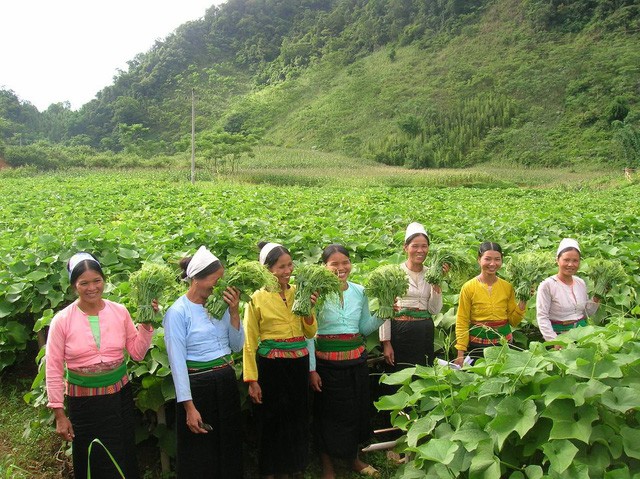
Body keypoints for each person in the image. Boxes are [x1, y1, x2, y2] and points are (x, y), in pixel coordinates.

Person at [46, 252, 154, 479]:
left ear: (104, 280)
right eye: (84, 283)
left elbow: (136, 353)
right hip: (84, 404)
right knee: (92, 457)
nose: (92, 287)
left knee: (123, 453)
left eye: (97, 281)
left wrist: (146, 323)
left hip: (119, 399)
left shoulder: (119, 312)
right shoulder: (62, 320)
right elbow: (54, 368)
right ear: (74, 286)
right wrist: (59, 414)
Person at [163, 245, 244, 478]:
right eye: (214, 280)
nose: (219, 285)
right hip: (198, 387)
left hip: (225, 380)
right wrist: (189, 407)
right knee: (200, 451)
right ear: (195, 279)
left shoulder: (221, 305)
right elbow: (177, 365)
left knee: (228, 443)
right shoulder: (178, 312)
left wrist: (235, 312)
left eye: (221, 279)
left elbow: (237, 346)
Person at [308, 244, 384, 479]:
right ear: (324, 267)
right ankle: (328, 466)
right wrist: (311, 369)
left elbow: (363, 328)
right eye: (334, 264)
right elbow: (309, 333)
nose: (341, 268)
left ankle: (354, 459)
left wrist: (384, 312)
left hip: (355, 361)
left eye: (345, 263)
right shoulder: (316, 294)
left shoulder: (359, 292)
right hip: (326, 364)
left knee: (354, 412)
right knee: (326, 415)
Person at [243, 242, 318, 479]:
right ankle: (270, 471)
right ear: (267, 270)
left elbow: (310, 332)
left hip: (297, 364)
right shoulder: (256, 298)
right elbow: (249, 341)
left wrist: (308, 311)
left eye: (289, 265)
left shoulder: (299, 292)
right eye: (281, 267)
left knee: (297, 419)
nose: (287, 271)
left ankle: (293, 469)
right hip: (271, 367)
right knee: (272, 421)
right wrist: (252, 379)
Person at [379, 222, 444, 371]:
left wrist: (437, 283)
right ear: (405, 247)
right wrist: (386, 343)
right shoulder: (394, 273)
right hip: (400, 331)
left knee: (423, 372)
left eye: (424, 246)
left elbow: (434, 310)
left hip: (424, 331)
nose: (420, 250)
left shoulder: (431, 274)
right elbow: (385, 309)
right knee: (399, 372)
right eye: (415, 246)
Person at [454, 242, 526, 366]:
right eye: (487, 259)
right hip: (477, 345)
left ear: (501, 261)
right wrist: (460, 353)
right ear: (479, 260)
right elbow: (462, 321)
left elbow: (514, 321)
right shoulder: (468, 287)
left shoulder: (507, 287)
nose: (492, 264)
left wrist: (523, 302)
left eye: (497, 259)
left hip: (504, 343)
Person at [536, 238, 600, 342]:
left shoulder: (580, 283)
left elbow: (585, 313)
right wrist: (554, 341)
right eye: (566, 260)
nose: (570, 264)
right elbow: (542, 317)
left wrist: (596, 299)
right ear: (557, 260)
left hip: (583, 334)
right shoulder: (547, 285)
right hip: (560, 336)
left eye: (575, 261)